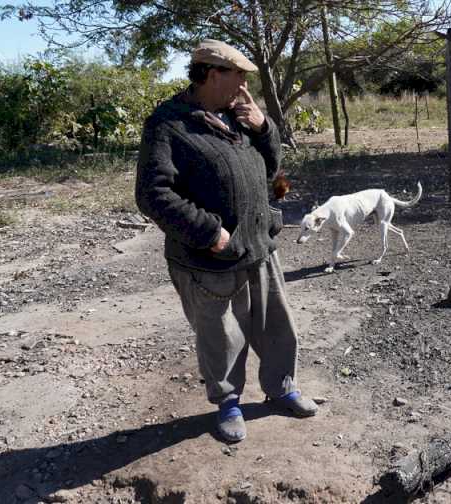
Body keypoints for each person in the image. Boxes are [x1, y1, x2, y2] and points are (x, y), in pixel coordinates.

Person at [135, 39, 317, 443]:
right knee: (222, 335)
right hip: (209, 257)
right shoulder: (168, 124)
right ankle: (229, 403)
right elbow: (153, 194)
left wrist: (262, 127)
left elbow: (272, 167)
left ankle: (282, 387)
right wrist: (208, 232)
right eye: (239, 75)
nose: (244, 83)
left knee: (276, 326)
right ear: (212, 74)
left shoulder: (237, 116)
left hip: (258, 244)